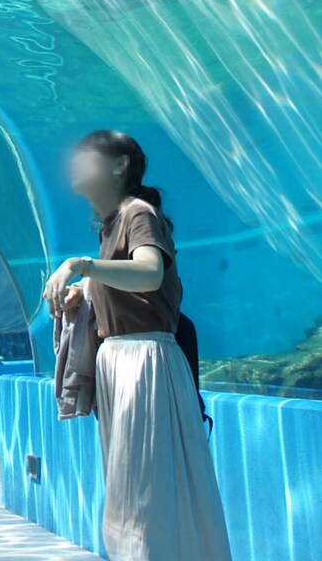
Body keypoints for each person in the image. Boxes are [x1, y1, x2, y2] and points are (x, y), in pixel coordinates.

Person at [43, 130, 233, 561]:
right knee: (132, 492)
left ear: (119, 166)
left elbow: (149, 273)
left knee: (146, 494)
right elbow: (129, 285)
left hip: (143, 362)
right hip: (122, 363)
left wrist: (80, 266)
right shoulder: (111, 226)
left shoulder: (139, 213)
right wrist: (85, 294)